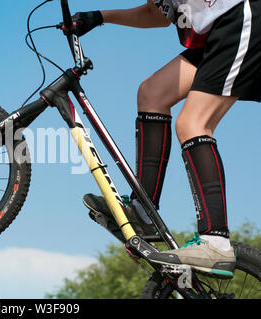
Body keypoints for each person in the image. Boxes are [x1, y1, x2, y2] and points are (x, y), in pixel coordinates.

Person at [77, 0, 260, 278]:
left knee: (193, 123)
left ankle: (216, 241)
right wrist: (100, 17)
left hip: (243, 18)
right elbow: (157, 12)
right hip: (219, 33)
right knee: (152, 93)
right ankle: (143, 212)